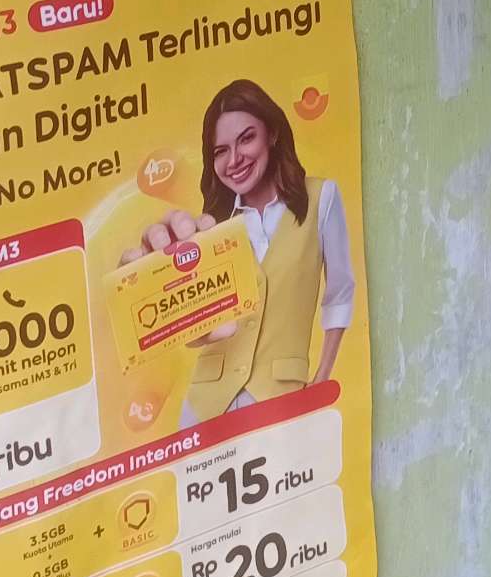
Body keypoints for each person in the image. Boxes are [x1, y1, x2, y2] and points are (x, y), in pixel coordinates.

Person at [122, 79, 354, 416]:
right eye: (220, 151)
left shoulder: (321, 197)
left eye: (246, 138)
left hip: (282, 396)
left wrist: (322, 378)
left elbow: (340, 293)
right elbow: (194, 326)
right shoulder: (210, 227)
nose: (234, 160)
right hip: (206, 404)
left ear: (272, 133)